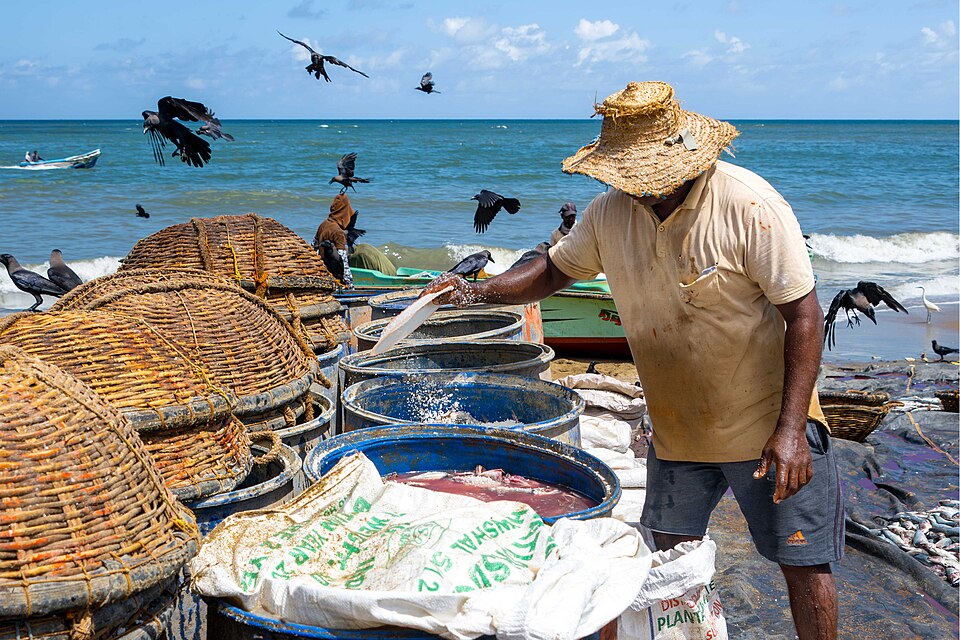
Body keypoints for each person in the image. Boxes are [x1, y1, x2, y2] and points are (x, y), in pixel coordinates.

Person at [424, 81, 839, 640]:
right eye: (629, 179)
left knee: (802, 560)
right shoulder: (608, 215)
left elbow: (806, 317)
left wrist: (791, 430)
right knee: (661, 564)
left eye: (648, 177)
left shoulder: (750, 206)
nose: (641, 191)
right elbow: (552, 271)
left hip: (767, 423)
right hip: (677, 429)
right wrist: (475, 292)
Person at [313, 193, 354, 287]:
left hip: (323, 274)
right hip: (335, 280)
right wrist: (350, 286)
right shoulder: (338, 233)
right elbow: (343, 263)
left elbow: (314, 249)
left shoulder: (323, 224)